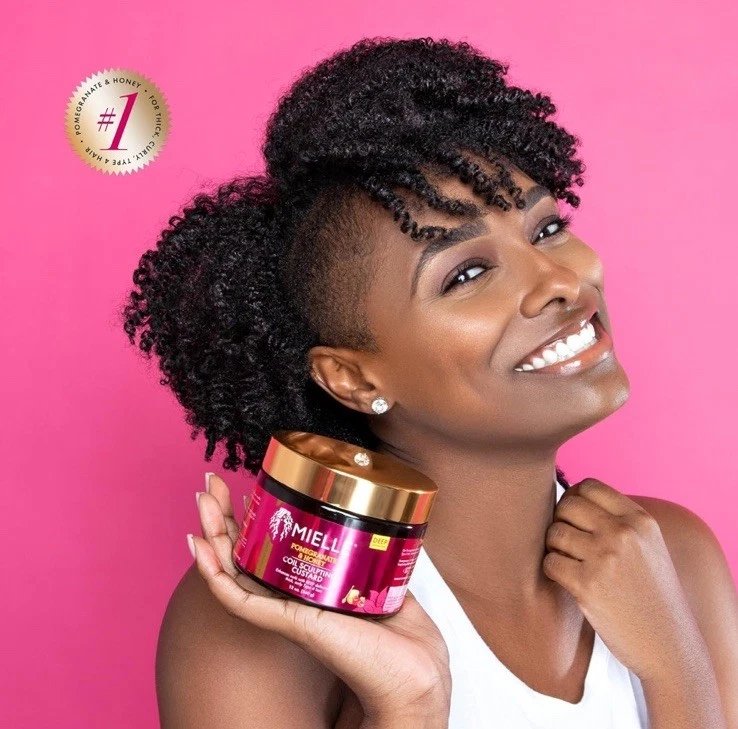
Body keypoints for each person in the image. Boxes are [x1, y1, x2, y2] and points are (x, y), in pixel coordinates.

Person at [121, 36, 738, 729]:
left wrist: (676, 664)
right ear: (352, 377)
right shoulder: (268, 624)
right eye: (467, 273)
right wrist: (409, 704)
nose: (561, 281)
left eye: (546, 228)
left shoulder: (673, 558)